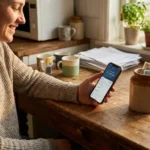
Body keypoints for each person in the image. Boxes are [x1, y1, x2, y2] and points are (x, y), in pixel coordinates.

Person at [0, 0, 114, 150]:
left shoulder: (1, 47)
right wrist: (52, 146)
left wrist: (76, 92)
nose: (22, 19)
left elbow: (30, 79)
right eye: (16, 8)